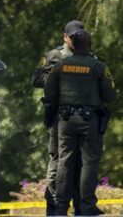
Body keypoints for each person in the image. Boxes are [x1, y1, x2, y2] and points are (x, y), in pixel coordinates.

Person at [44, 29, 115, 215]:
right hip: (89, 120)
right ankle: (86, 207)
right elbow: (110, 95)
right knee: (88, 163)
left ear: (72, 44)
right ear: (89, 44)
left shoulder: (60, 65)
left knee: (64, 162)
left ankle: (60, 208)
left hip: (65, 121)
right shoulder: (98, 67)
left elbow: (49, 93)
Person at [32, 20, 84, 215]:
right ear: (65, 37)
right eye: (73, 36)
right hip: (59, 117)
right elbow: (36, 79)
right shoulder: (55, 55)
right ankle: (53, 205)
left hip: (82, 118)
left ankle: (81, 207)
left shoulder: (88, 56)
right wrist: (59, 77)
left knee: (81, 162)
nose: (76, 39)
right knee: (58, 160)